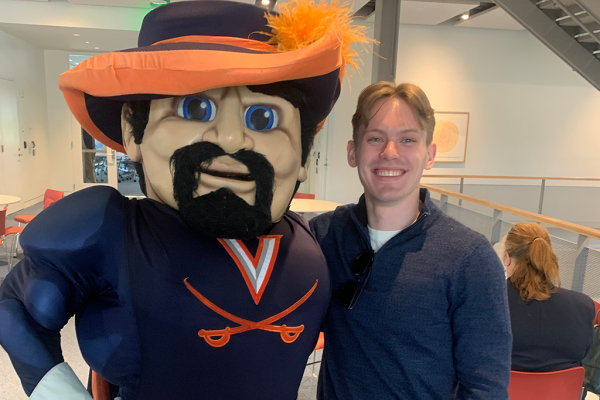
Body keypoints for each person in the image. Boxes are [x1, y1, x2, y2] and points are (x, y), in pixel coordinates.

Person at [0, 1, 371, 399]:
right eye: (196, 107)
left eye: (263, 118)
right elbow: (17, 308)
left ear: (302, 154)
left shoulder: (317, 239)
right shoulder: (107, 231)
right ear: (133, 131)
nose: (230, 138)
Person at [309, 81, 512, 400]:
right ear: (353, 152)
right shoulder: (323, 236)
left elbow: (485, 388)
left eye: (407, 139)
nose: (390, 152)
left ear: (429, 155)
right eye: (375, 138)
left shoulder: (469, 258)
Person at [504, 222, 595, 372]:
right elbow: (582, 354)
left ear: (507, 258)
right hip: (560, 394)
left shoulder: (485, 303)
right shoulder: (583, 306)